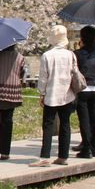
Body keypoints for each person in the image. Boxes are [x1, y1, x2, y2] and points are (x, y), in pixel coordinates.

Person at [29, 25, 77, 167]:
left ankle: (45, 157)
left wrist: (41, 93)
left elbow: (43, 77)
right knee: (65, 124)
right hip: (67, 93)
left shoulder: (47, 55)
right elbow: (74, 73)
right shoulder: (71, 55)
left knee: (48, 125)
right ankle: (63, 156)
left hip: (51, 93)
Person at [74, 25, 95, 158]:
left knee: (84, 120)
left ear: (82, 38)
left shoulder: (77, 54)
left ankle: (87, 148)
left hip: (83, 89)